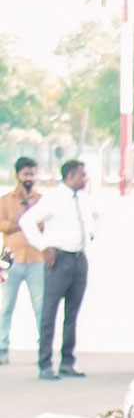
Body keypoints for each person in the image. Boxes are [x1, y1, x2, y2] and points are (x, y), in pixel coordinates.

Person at [20, 158, 97, 381]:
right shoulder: (53, 198)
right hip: (59, 259)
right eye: (82, 175)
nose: (85, 179)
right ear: (70, 176)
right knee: (49, 313)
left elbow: (94, 218)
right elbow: (26, 221)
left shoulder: (83, 198)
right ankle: (45, 363)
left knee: (72, 314)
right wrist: (44, 246)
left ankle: (67, 362)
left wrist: (90, 236)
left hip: (79, 259)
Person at [0, 155, 44, 366]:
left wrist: (18, 222)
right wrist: (26, 220)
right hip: (11, 259)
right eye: (26, 174)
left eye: (32, 174)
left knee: (41, 308)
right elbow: (3, 225)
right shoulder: (6, 200)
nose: (29, 178)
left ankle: (44, 351)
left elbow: (44, 225)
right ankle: (2, 349)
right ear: (18, 175)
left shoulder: (42, 200)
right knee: (6, 307)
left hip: (37, 259)